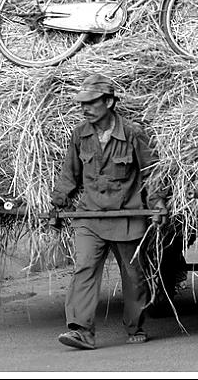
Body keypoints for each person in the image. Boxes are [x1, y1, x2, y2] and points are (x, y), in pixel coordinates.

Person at [51, 73, 169, 350]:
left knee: (134, 276)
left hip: (127, 216)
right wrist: (58, 202)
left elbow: (151, 173)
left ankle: (135, 324)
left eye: (91, 103)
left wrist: (158, 202)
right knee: (84, 268)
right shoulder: (80, 134)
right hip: (90, 217)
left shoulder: (132, 133)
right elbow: (70, 173)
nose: (85, 108)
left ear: (109, 102)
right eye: (82, 103)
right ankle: (81, 330)